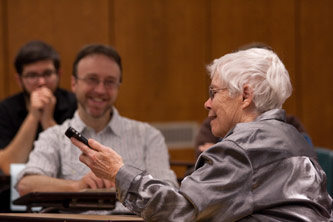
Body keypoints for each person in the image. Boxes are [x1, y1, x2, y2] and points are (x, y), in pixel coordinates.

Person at [71, 48, 332, 221]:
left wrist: (118, 172)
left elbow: (181, 211)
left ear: (245, 96)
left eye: (214, 93)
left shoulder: (244, 147)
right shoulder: (296, 141)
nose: (207, 104)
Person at [16, 44, 178, 213]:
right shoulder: (54, 136)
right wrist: (77, 187)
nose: (100, 90)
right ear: (73, 83)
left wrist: (122, 179)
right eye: (92, 79)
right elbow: (26, 185)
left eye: (109, 82)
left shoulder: (149, 136)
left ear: (118, 87)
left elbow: (170, 195)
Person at [0, 41, 77, 174]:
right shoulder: (5, 109)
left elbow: (75, 163)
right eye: (32, 75)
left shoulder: (74, 103)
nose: (41, 82)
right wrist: (33, 116)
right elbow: (8, 166)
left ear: (59, 75)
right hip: (17, 186)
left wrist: (47, 119)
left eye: (47, 74)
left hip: (65, 183)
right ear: (19, 80)